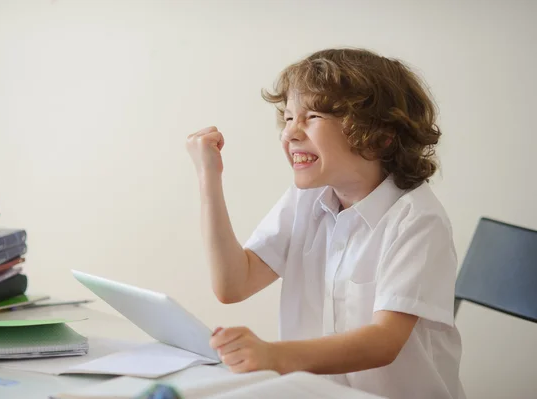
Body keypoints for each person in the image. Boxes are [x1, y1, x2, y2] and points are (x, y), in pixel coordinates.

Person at [185, 48, 465, 399]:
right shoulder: (305, 200)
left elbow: (384, 342)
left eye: (312, 116)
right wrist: (208, 176)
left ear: (380, 135)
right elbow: (233, 284)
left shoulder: (417, 219)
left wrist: (273, 355)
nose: (290, 134)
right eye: (288, 118)